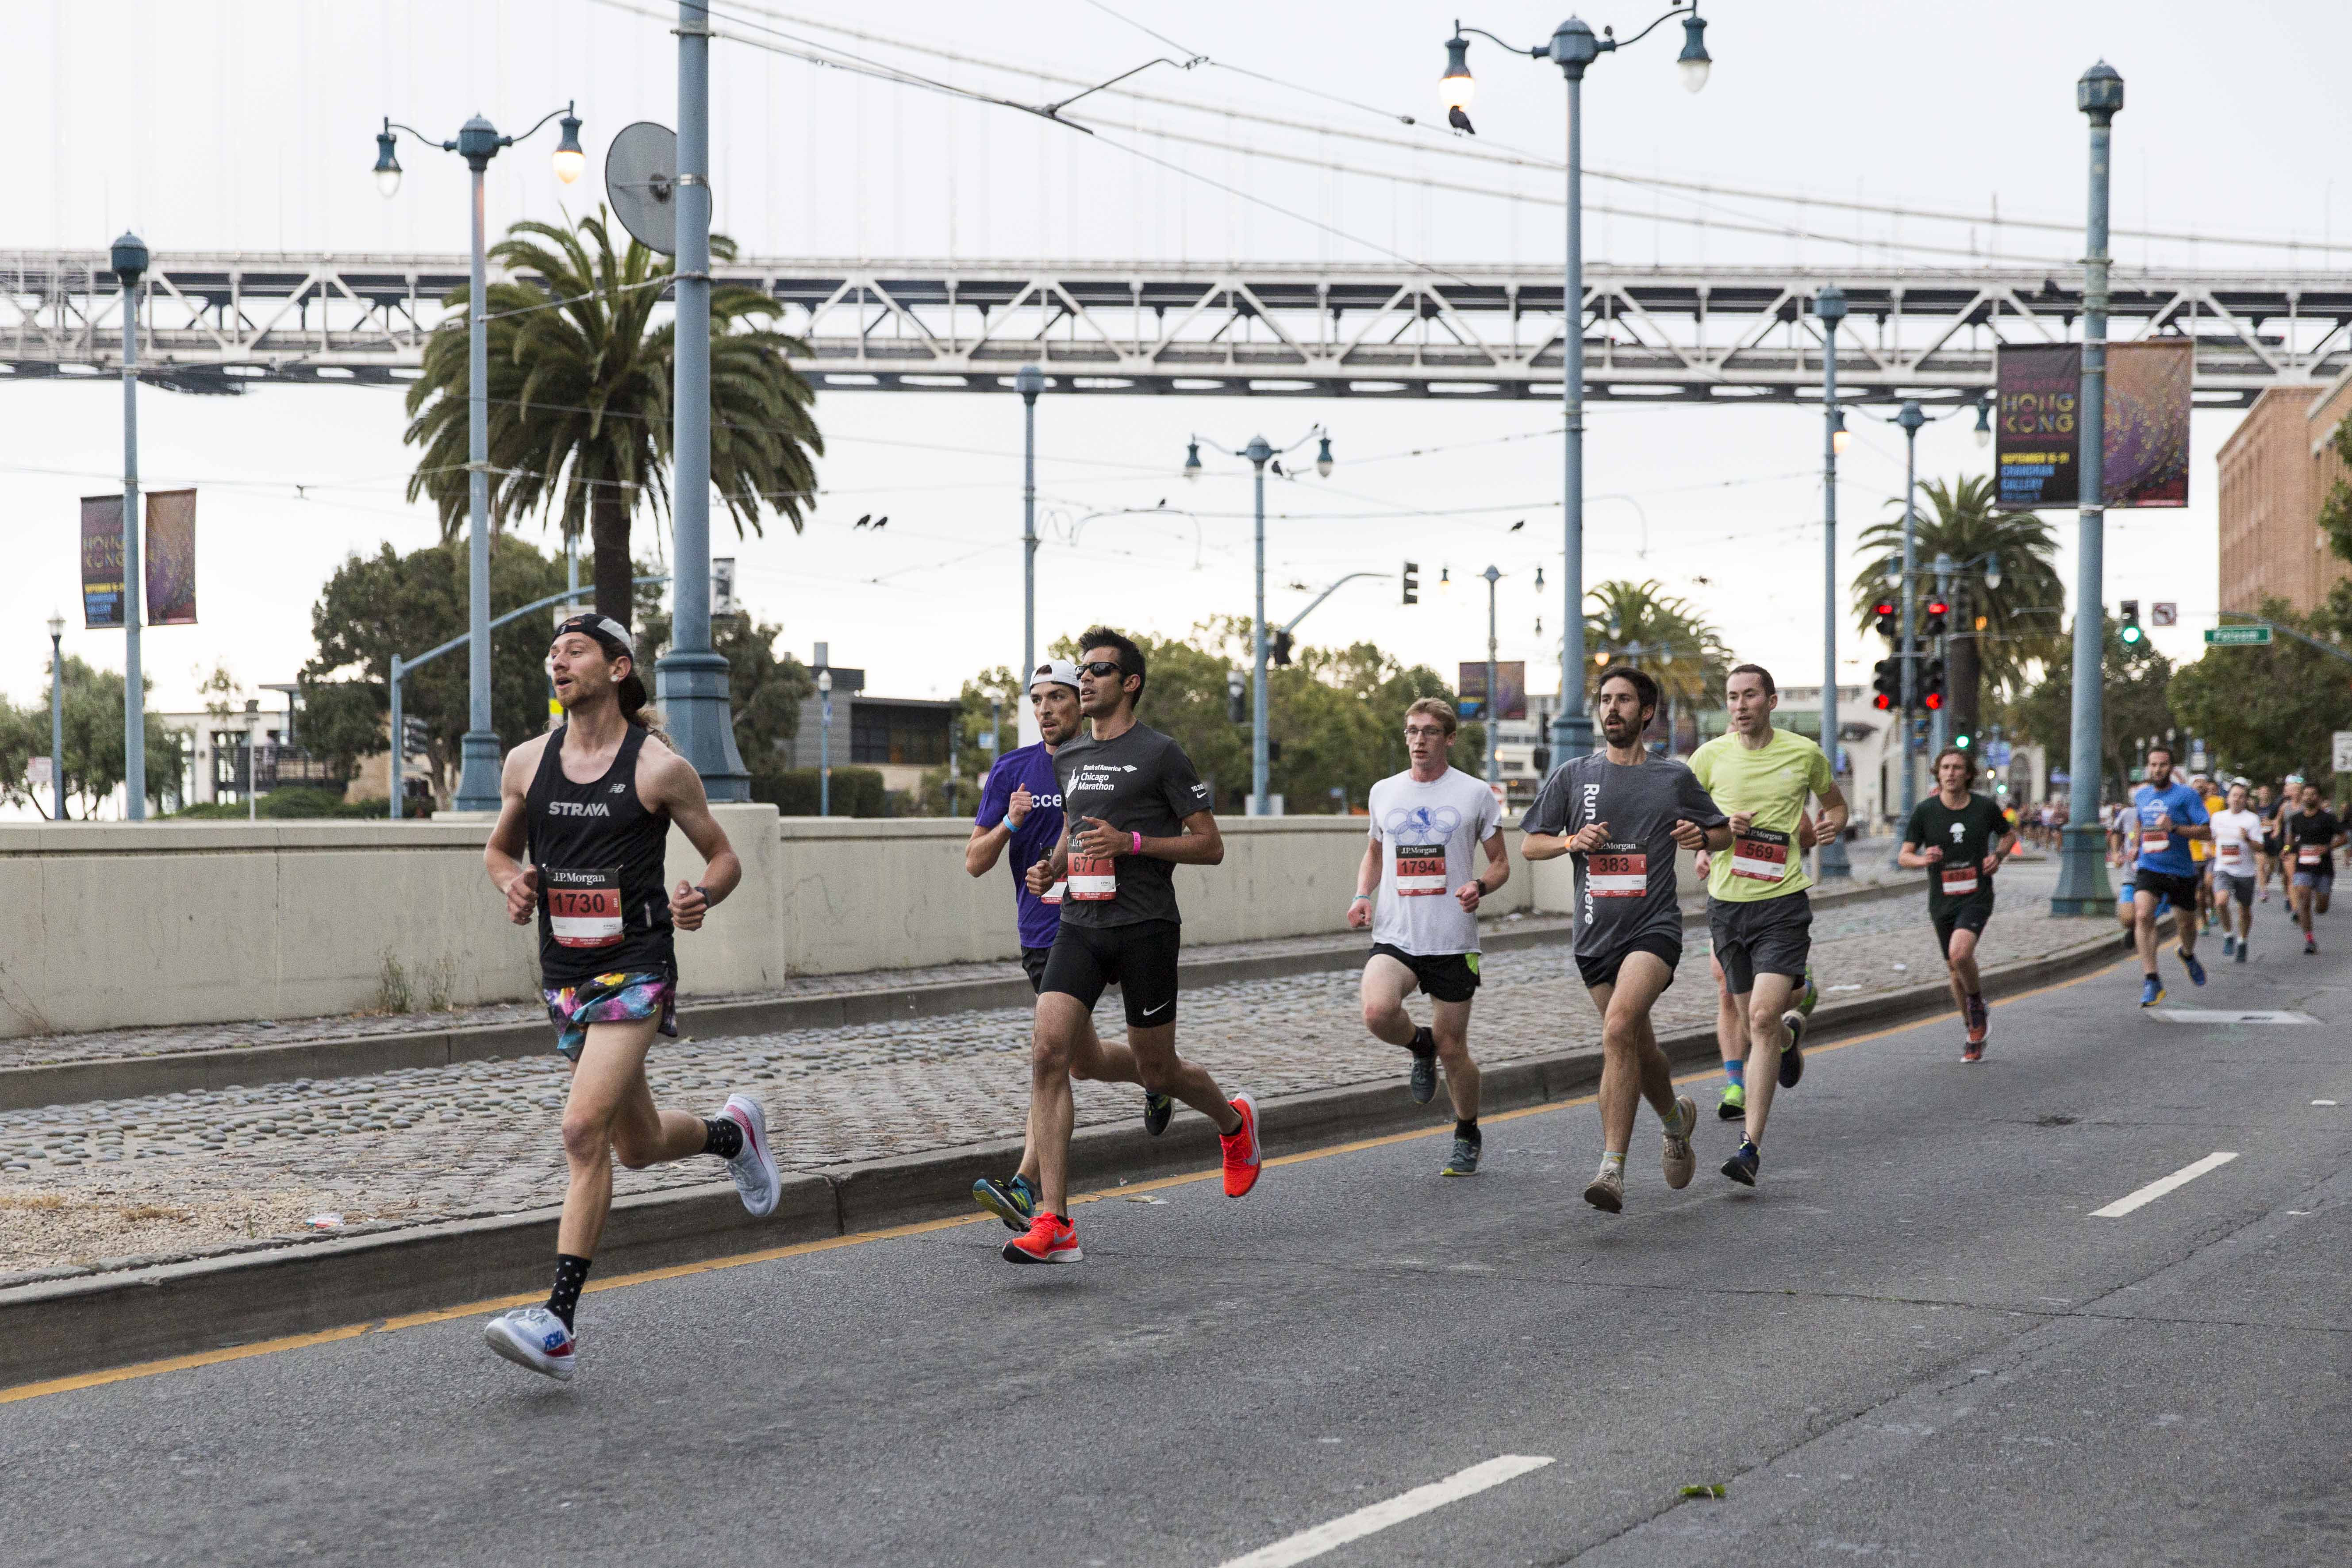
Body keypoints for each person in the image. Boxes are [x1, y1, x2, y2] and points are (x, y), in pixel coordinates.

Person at [478, 614, 773, 1382]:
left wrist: (702, 894)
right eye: (553, 651)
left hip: (635, 965)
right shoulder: (525, 761)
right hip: (565, 973)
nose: (557, 661)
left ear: (617, 668)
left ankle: (558, 1320)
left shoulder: (657, 768)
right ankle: (732, 1134)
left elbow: (725, 854)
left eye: (574, 650)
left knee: (582, 1130)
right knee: (634, 1144)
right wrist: (513, 880)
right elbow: (500, 848)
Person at [1006, 628, 1260, 1265]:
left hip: (1146, 925)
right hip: (1080, 925)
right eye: (1082, 671)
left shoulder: (1161, 754)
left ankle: (1233, 1124)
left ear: (1130, 683)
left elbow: (1211, 844)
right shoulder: (1068, 757)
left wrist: (1135, 846)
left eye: (1098, 671)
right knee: (1048, 1053)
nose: (1084, 680)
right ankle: (1056, 1221)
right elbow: (1074, 826)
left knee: (1158, 1071)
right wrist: (1052, 867)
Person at [964, 660, 1168, 1232]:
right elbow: (975, 862)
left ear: (1083, 703)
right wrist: (1010, 820)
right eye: (1038, 700)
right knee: (1084, 1060)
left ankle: (1027, 1185)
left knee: (1048, 1056)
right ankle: (1159, 1077)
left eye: (1059, 697)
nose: (1047, 709)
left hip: (1098, 927)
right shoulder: (1012, 771)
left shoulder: (1105, 766)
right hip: (1040, 935)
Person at [1522, 666, 1728, 1213]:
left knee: (1617, 1030)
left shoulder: (1672, 777)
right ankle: (1675, 1121)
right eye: (1606, 700)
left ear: (1647, 712)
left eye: (1624, 701)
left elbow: (1724, 830)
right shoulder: (1573, 775)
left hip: (1653, 927)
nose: (1612, 709)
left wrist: (1700, 835)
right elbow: (1531, 845)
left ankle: (1611, 1169)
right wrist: (1570, 840)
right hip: (1595, 935)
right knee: (1638, 1046)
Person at [1687, 664, 1849, 1185]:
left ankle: (1749, 1148)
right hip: (1727, 907)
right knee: (1757, 1021)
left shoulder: (1803, 754)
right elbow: (1682, 826)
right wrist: (1714, 834)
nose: (1740, 705)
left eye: (1750, 695)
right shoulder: (1708, 758)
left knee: (1757, 1018)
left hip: (1782, 904)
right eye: (1732, 697)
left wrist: (1830, 827)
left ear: (1771, 701)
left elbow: (1836, 806)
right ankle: (1787, 1037)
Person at [1348, 698, 1510, 1176]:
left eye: (1431, 732)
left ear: (1450, 738)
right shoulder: (1385, 792)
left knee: (1454, 1047)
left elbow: (1501, 862)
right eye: (1413, 731)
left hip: (1452, 939)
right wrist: (1362, 894)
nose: (1420, 740)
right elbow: (1375, 853)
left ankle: (1467, 1130)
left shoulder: (1476, 794)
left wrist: (1479, 885)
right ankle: (1419, 1047)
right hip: (1397, 934)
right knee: (1378, 1011)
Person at [1899, 747, 2017, 1062]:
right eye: (1945, 768)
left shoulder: (1984, 807)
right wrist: (1924, 859)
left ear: (1968, 774)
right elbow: (1904, 855)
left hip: (1976, 894)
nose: (1951, 773)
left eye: (1957, 768)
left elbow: (2008, 835)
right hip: (1942, 899)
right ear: (1937, 773)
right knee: (1954, 970)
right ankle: (1972, 1029)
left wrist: (1999, 856)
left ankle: (1976, 1003)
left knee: (1960, 953)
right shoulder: (1925, 812)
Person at [2128, 743, 2211, 1007]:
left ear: (2171, 768)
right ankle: (2152, 979)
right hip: (2149, 866)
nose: (2157, 769)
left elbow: (2206, 832)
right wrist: (2134, 844)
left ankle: (2187, 954)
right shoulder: (2142, 796)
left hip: (2181, 870)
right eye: (2153, 765)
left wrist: (2174, 828)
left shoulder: (2186, 796)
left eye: (2163, 765)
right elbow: (2140, 823)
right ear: (2148, 767)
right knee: (2142, 914)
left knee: (2186, 924)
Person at [2287, 780, 2346, 956]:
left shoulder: (2328, 818)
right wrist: (2286, 850)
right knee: (2304, 900)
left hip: (2324, 869)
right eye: (2306, 794)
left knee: (2321, 908)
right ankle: (2310, 940)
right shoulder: (2296, 819)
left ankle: (2312, 908)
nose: (2308, 797)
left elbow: (2344, 838)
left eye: (2312, 794)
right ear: (2302, 797)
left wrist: (2328, 848)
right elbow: (2290, 841)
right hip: (2303, 867)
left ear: (2319, 798)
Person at [2208, 779, 2262, 963]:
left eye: (2241, 796)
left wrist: (2247, 839)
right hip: (2223, 868)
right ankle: (2229, 935)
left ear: (2246, 800)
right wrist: (2209, 848)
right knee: (2221, 902)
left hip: (2245, 872)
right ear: (2228, 798)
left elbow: (2260, 847)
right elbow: (2211, 837)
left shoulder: (2252, 820)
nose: (2237, 799)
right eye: (2234, 796)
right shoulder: (2218, 818)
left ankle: (2243, 941)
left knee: (2244, 911)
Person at [2255, 782, 2283, 904]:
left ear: (2269, 795)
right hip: (2259, 840)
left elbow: (2278, 822)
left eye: (2266, 792)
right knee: (2261, 866)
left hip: (2271, 839)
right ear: (2258, 794)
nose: (2264, 794)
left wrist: (2270, 823)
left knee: (2271, 867)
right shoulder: (2255, 809)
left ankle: (2267, 878)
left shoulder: (2274, 808)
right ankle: (2263, 891)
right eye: (2262, 792)